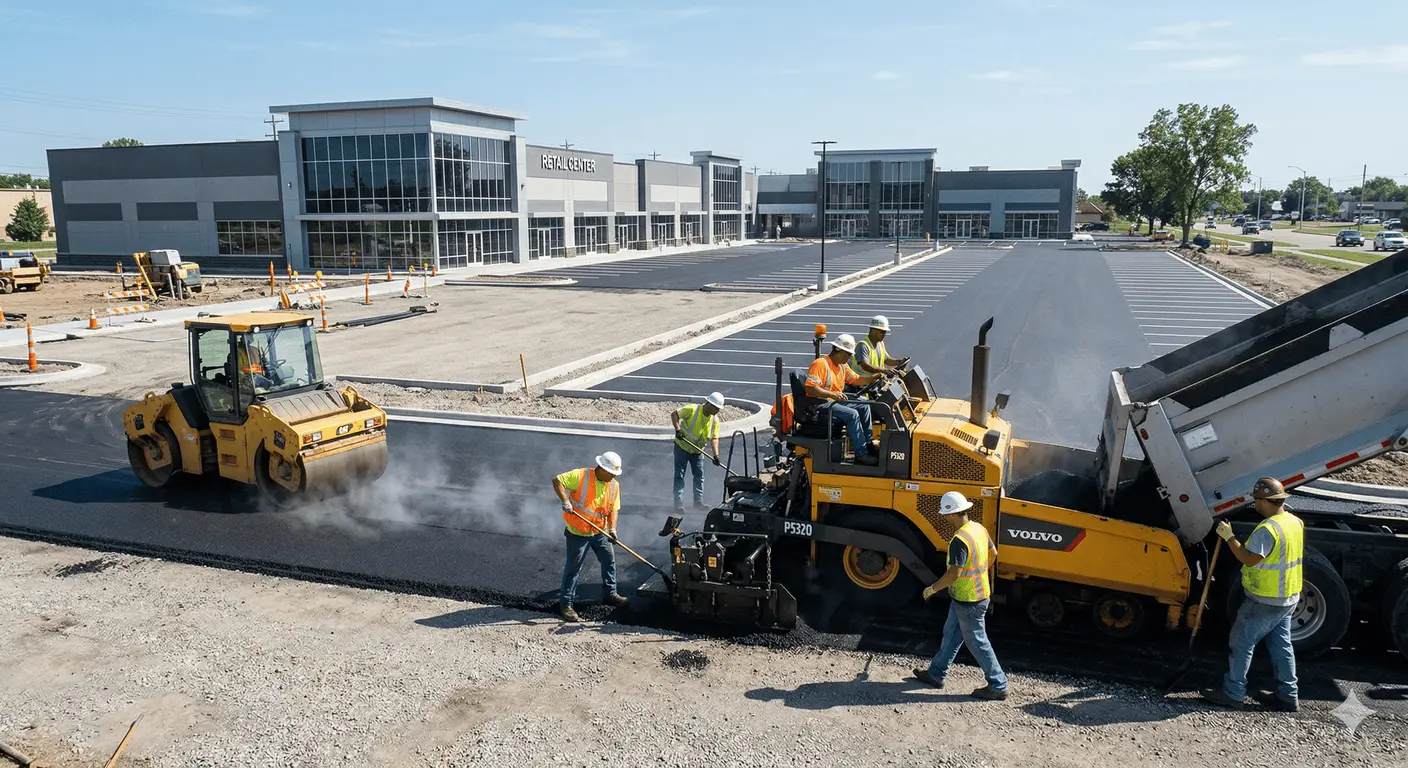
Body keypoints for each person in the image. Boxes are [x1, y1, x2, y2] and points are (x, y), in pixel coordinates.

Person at [1202, 477, 1303, 712]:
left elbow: (1248, 558)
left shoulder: (1267, 530)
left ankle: (1233, 693)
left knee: (1241, 642)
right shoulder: (1294, 522)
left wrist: (1229, 536)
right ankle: (1288, 695)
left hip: (1264, 600)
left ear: (1268, 501)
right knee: (1281, 645)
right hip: (1287, 596)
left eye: (1257, 500)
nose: (1255, 504)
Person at [912, 491, 1008, 700]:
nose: (945, 518)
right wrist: (978, 573)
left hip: (970, 599)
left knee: (977, 641)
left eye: (945, 515)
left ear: (953, 514)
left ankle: (998, 685)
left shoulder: (959, 540)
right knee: (952, 633)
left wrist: (933, 588)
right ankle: (936, 674)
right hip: (974, 594)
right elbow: (993, 554)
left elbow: (954, 573)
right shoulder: (978, 528)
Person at [552, 452, 629, 623]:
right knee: (573, 568)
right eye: (611, 473)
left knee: (609, 560)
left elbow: (613, 509)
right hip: (578, 532)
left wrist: (613, 529)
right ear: (602, 468)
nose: (613, 476)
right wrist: (565, 500)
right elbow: (557, 480)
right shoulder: (581, 476)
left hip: (600, 532)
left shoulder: (614, 485)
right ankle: (566, 605)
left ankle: (610, 594)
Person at [804, 333, 880, 465]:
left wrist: (874, 377)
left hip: (834, 401)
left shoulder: (842, 366)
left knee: (865, 406)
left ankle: (867, 444)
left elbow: (856, 380)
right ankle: (861, 454)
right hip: (820, 404)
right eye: (849, 354)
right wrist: (832, 394)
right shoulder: (820, 364)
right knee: (852, 414)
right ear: (840, 351)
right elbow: (810, 389)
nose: (850, 357)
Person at [671, 392, 725, 511]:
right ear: (709, 404)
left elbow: (714, 438)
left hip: (698, 451)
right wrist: (678, 430)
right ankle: (678, 503)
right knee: (679, 475)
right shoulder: (692, 409)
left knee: (699, 476)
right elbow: (674, 415)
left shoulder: (715, 421)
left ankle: (698, 502)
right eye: (716, 408)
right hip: (682, 447)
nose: (717, 411)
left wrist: (716, 455)